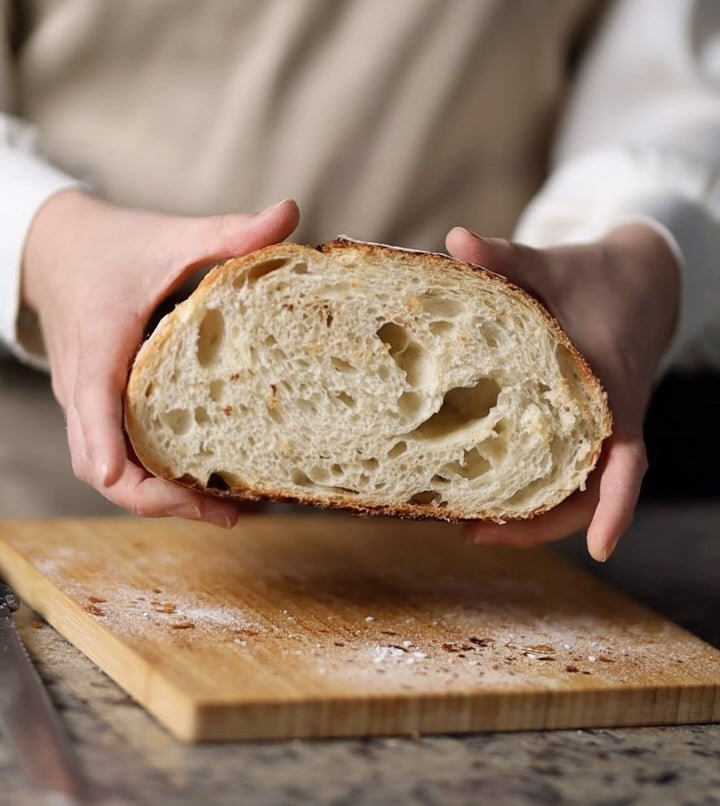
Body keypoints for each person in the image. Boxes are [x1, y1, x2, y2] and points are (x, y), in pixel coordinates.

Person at [1, 0, 719, 562]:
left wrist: (648, 243)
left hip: (488, 565)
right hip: (51, 506)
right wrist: (46, 242)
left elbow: (670, 69)